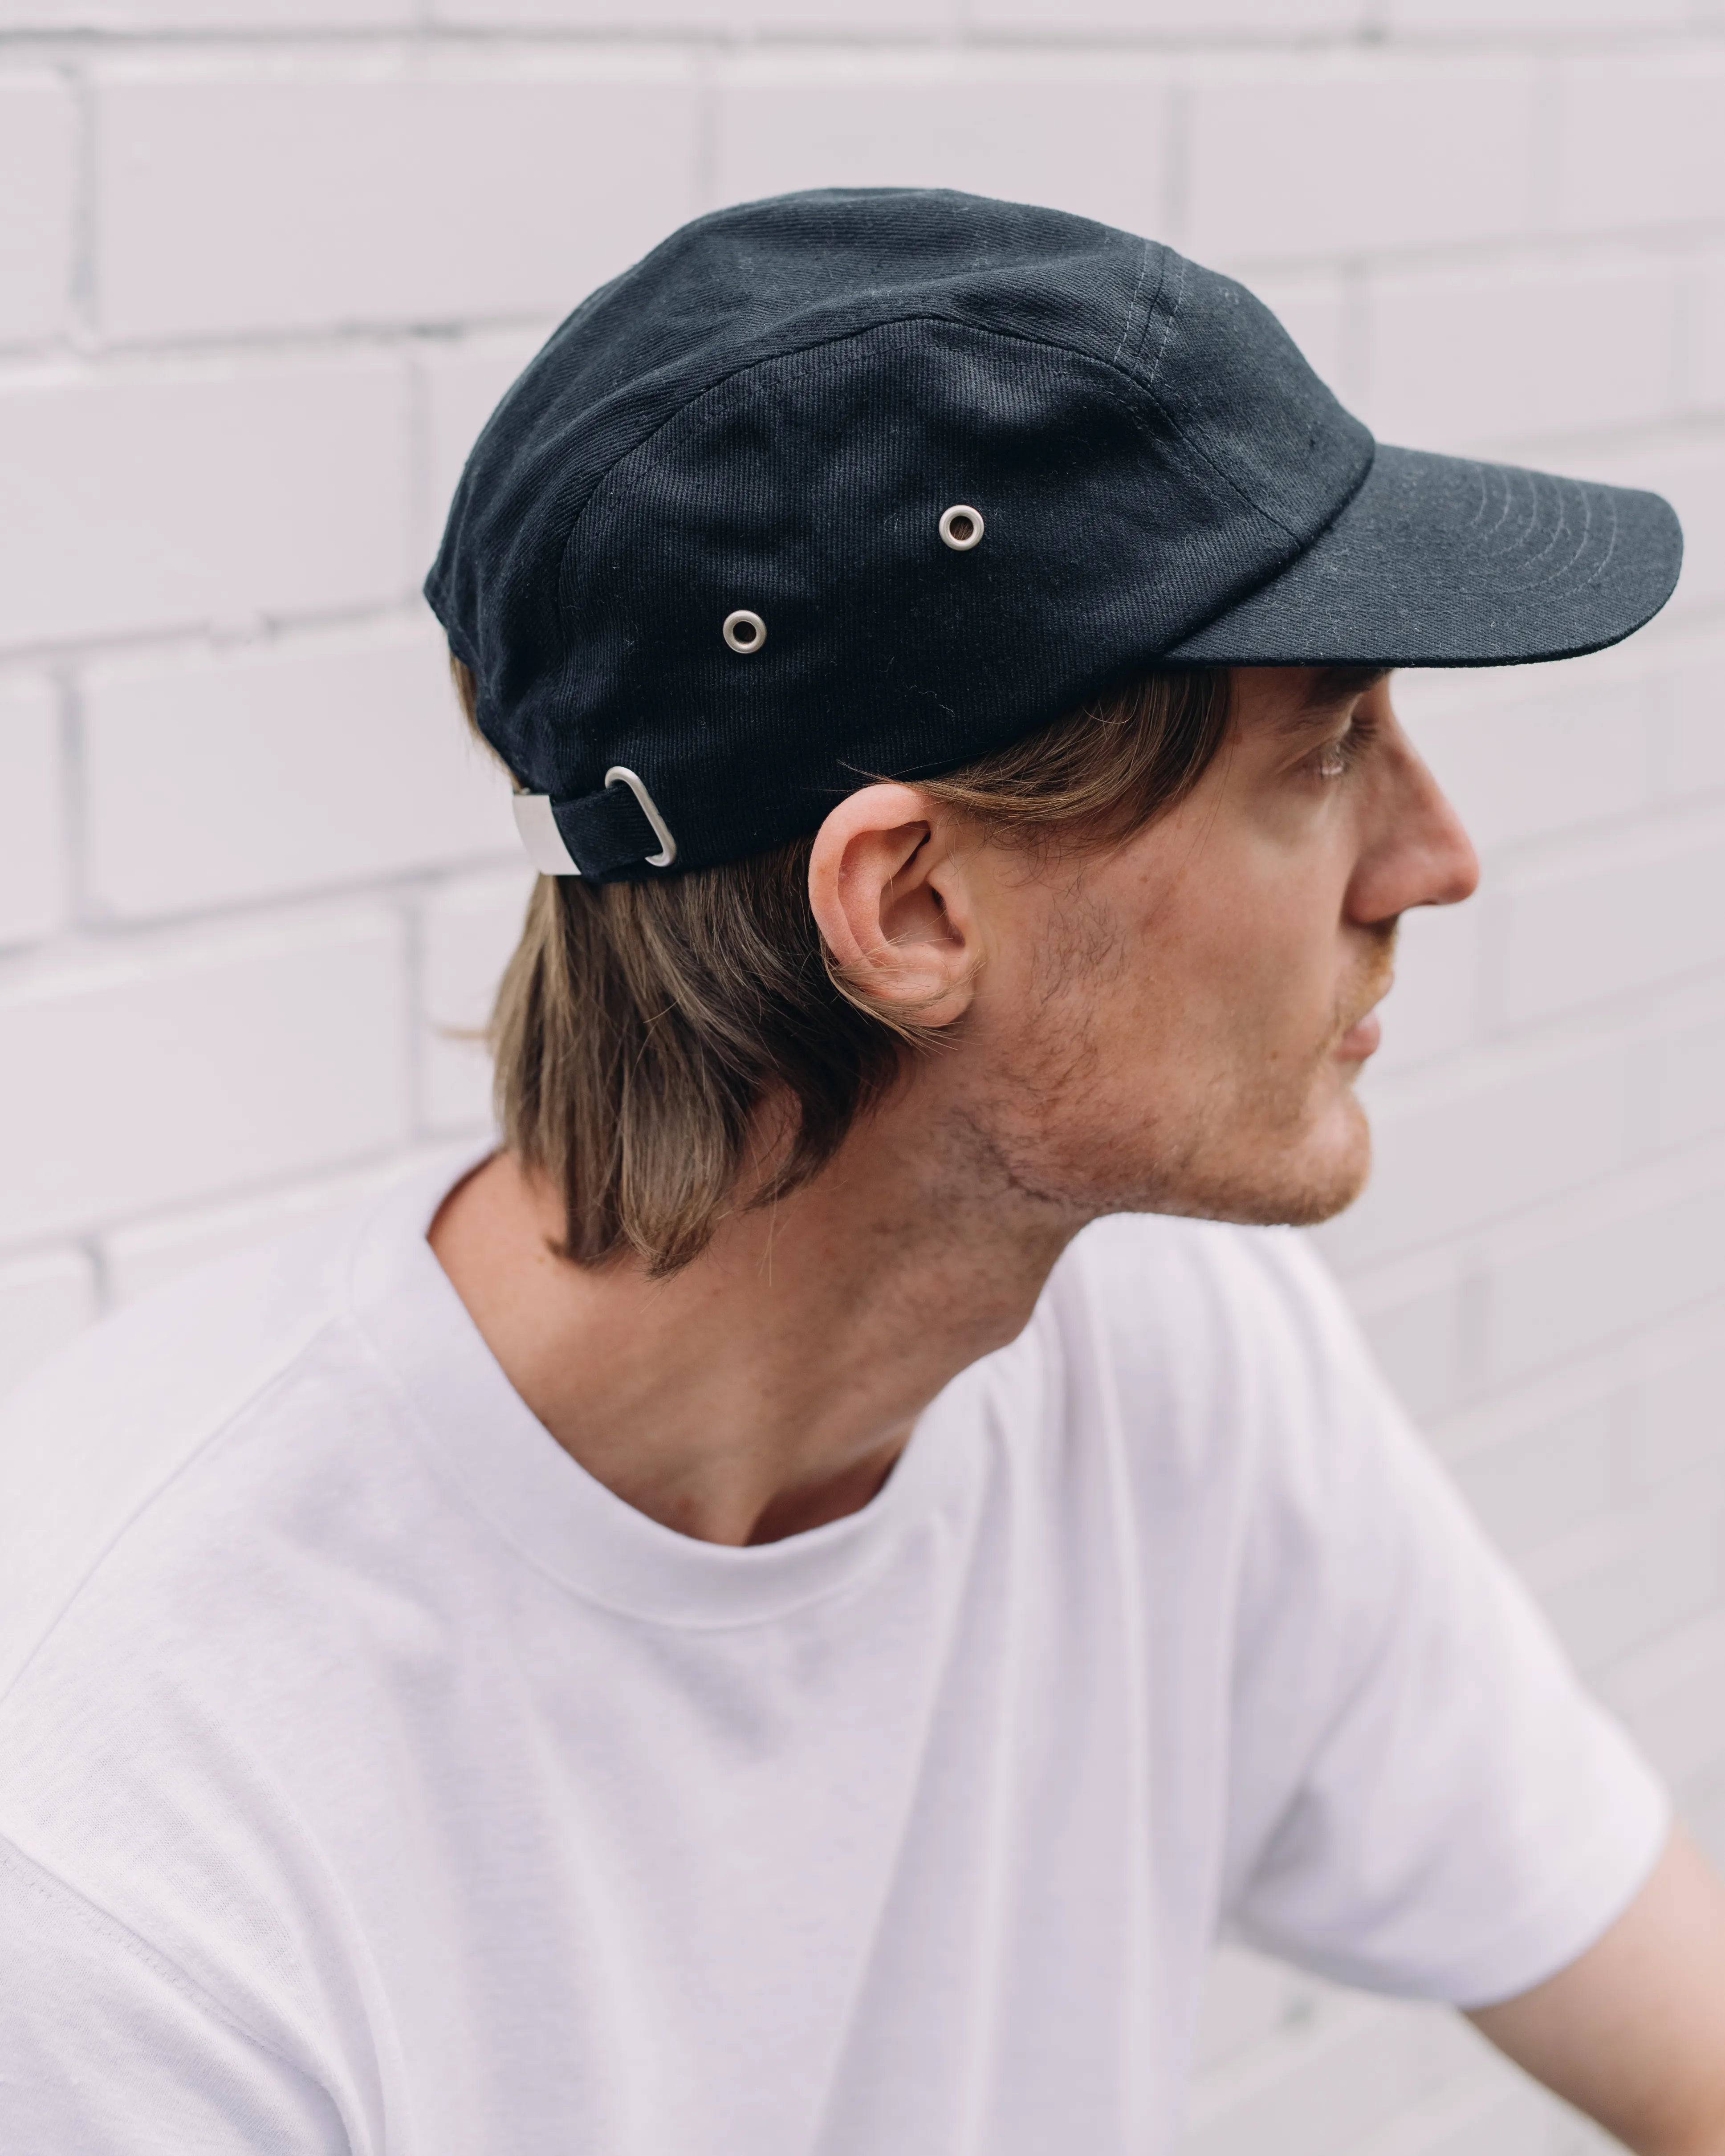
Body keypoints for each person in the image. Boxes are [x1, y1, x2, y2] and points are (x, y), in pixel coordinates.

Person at [3, 188, 1723, 2156]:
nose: (1435, 858)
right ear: (909, 907)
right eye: (1324, 752)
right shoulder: (126, 1843)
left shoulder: (1172, 1359)